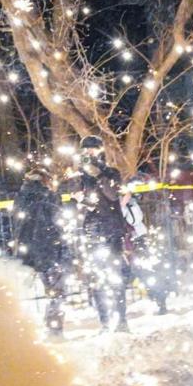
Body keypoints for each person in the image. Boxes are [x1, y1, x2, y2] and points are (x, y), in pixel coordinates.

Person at [74, 135, 131, 333]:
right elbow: (89, 204)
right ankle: (105, 322)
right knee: (97, 279)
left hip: (112, 231)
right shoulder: (81, 177)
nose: (88, 153)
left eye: (92, 149)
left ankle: (121, 321)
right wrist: (81, 200)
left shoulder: (111, 173)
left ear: (100, 150)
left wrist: (99, 176)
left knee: (116, 276)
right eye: (85, 150)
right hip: (93, 231)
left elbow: (112, 195)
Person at [13, 167, 68, 339]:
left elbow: (17, 223)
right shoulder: (50, 196)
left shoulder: (20, 198)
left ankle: (20, 331)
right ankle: (54, 330)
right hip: (49, 251)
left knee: (24, 294)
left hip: (27, 253)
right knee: (56, 292)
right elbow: (58, 222)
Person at [121, 179, 173, 314]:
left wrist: (124, 204)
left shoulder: (131, 205)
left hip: (137, 241)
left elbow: (135, 220)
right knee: (138, 272)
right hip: (126, 242)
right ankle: (158, 296)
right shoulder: (116, 203)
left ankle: (160, 298)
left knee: (145, 272)